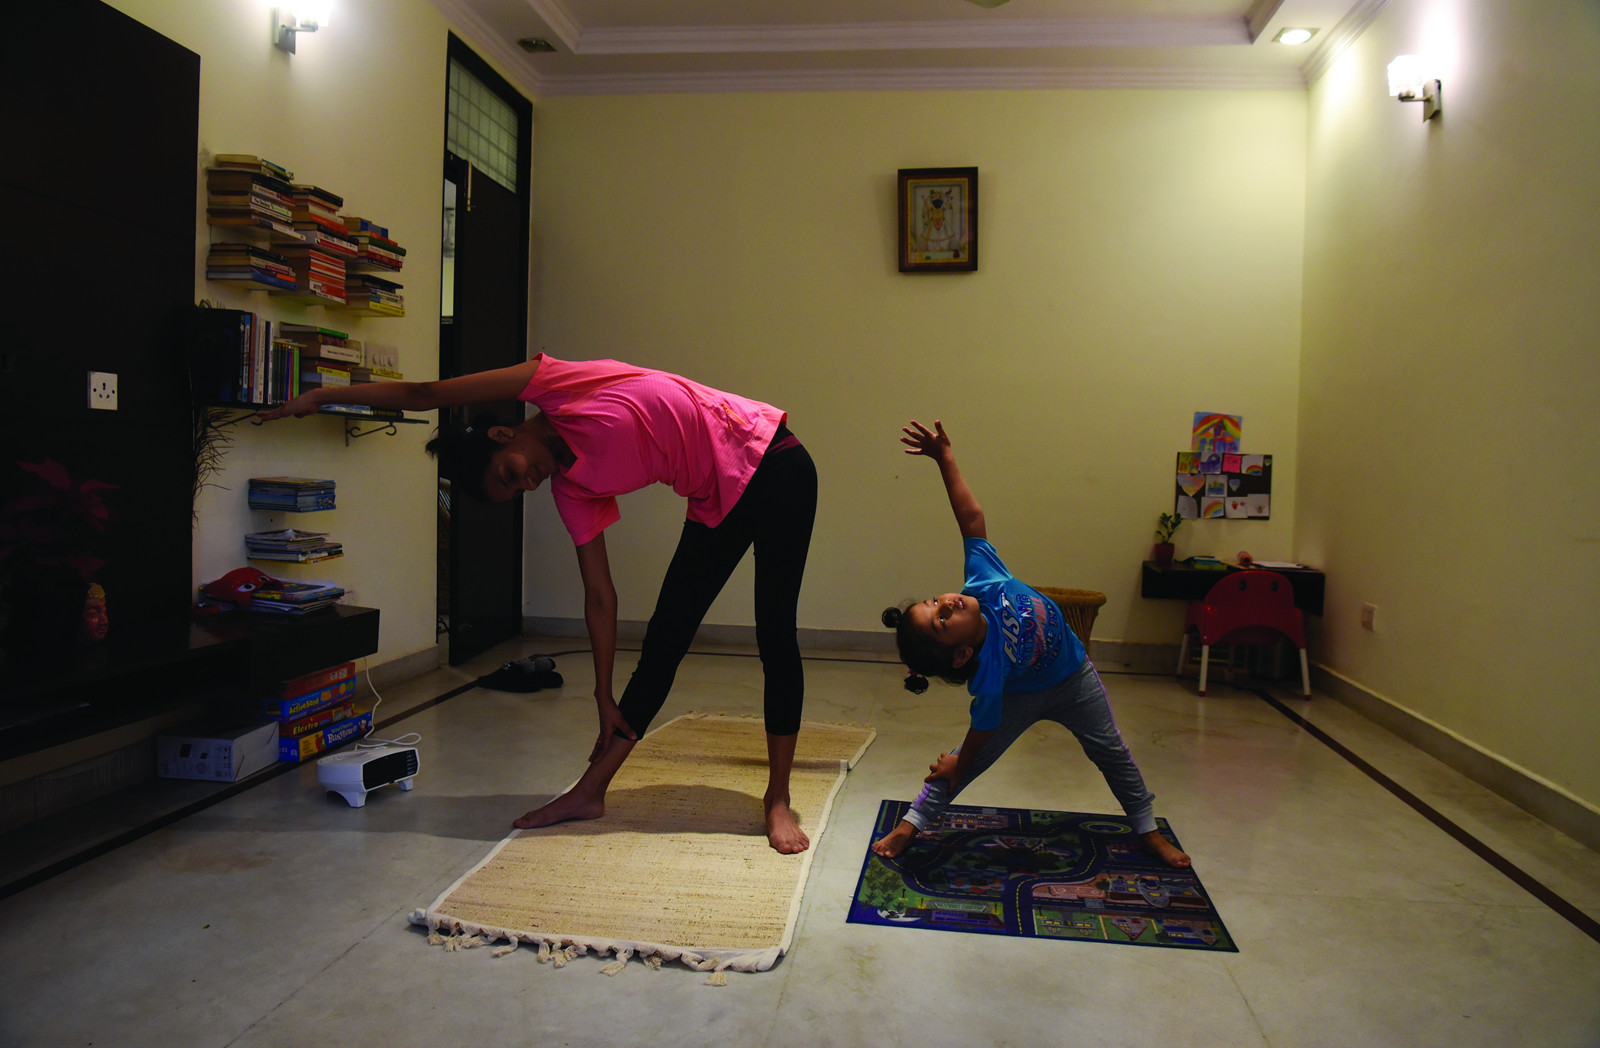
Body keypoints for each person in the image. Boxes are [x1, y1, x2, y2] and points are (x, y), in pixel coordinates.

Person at [258, 354, 819, 852]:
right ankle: (590, 792)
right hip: (716, 496)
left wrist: (320, 397)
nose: (528, 482)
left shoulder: (559, 386)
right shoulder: (573, 488)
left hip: (775, 463)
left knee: (775, 632)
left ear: (504, 435)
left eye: (512, 473)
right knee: (664, 638)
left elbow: (425, 394)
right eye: (516, 491)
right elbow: (600, 596)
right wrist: (601, 694)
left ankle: (777, 797)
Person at [873, 419, 1189, 868]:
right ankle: (913, 822)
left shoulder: (983, 579)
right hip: (1020, 695)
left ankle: (1147, 827)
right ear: (961, 654)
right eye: (942, 619)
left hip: (1074, 677)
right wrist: (960, 767)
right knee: (964, 760)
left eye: (935, 600)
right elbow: (980, 734)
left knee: (1112, 752)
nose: (947, 602)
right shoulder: (989, 677)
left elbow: (971, 518)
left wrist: (945, 458)